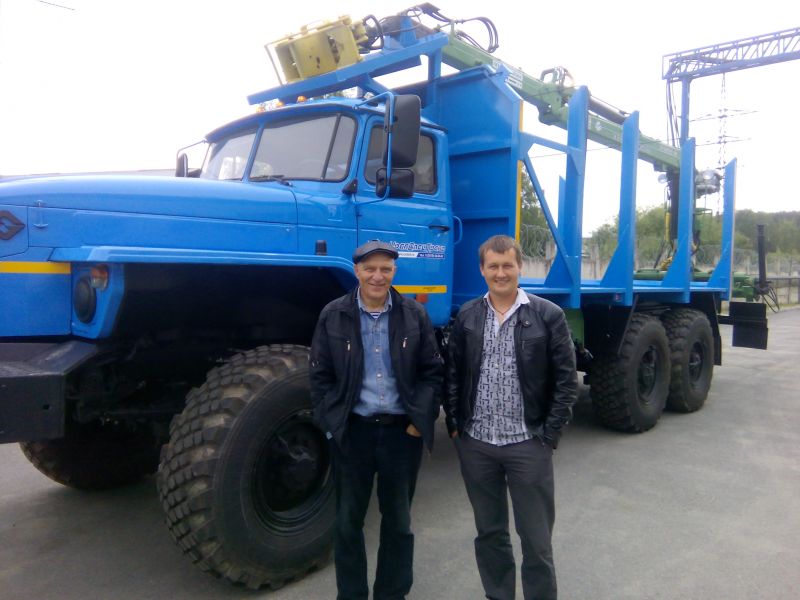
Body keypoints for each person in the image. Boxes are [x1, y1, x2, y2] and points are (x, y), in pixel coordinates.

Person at [444, 234, 577, 600]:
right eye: (493, 266)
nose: (500, 273)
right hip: (477, 444)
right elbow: (453, 375)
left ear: (520, 267)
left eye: (507, 265)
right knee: (490, 534)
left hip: (527, 443)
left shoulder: (547, 315)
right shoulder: (467, 316)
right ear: (482, 270)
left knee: (536, 539)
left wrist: (549, 434)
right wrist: (455, 426)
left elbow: (566, 380)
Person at [309, 240, 444, 600]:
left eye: (385, 269)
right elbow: (319, 376)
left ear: (394, 272)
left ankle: (392, 593)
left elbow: (433, 373)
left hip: (401, 434)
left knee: (398, 522)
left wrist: (419, 422)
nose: (377, 276)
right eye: (370, 269)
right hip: (353, 434)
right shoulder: (333, 315)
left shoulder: (414, 315)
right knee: (347, 523)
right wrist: (331, 424)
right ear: (357, 271)